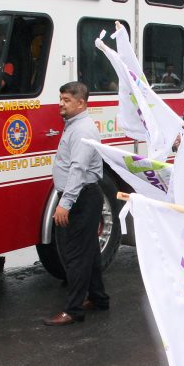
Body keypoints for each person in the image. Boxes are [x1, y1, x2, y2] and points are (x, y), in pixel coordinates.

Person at [44, 81, 110, 326]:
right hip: (83, 196)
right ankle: (99, 299)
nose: (61, 104)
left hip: (81, 197)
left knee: (75, 256)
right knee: (90, 252)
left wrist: (65, 203)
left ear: (81, 103)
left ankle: (73, 310)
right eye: (60, 98)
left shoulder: (82, 130)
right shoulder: (73, 125)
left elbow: (78, 169)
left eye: (67, 100)